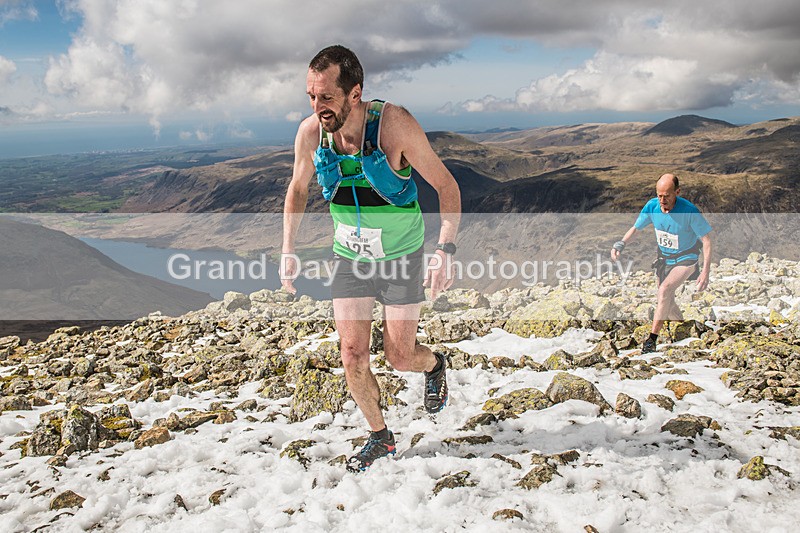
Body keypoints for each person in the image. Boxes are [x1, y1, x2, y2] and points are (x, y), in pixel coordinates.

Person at [281, 45, 461, 472]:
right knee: (352, 355)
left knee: (400, 357)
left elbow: (447, 186)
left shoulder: (394, 125)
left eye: (326, 97)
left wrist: (445, 250)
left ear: (354, 92)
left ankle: (435, 364)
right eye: (310, 96)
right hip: (350, 258)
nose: (317, 106)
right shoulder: (311, 133)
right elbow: (298, 188)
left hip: (401, 256)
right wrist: (288, 248)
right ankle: (380, 437)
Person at [611, 173, 712, 353]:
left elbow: (707, 240)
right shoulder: (652, 206)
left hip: (686, 257)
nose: (662, 200)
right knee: (666, 299)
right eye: (659, 195)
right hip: (664, 258)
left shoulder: (689, 211)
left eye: (667, 196)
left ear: (677, 192)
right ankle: (684, 329)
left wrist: (705, 271)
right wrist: (622, 243)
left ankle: (652, 340)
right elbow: (637, 228)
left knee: (665, 290)